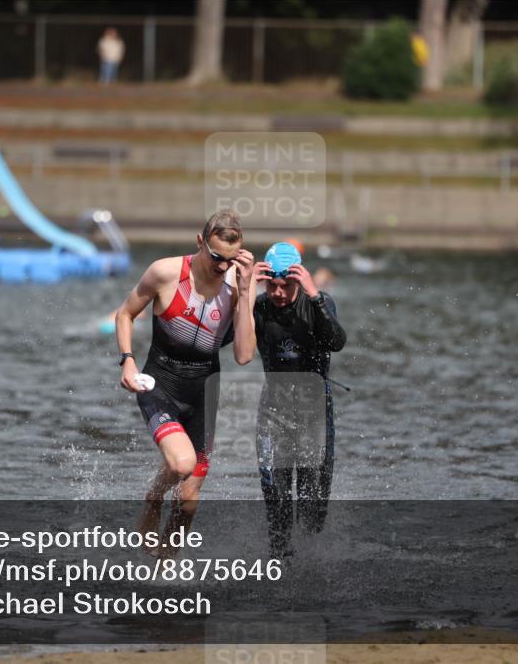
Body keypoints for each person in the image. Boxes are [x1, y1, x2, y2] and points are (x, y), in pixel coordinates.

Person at [115, 211, 256, 556]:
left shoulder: (238, 280)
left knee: (189, 497)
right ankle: (153, 494)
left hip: (204, 390)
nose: (222, 267)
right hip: (160, 383)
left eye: (231, 260)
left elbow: (243, 355)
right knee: (181, 465)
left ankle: (164, 573)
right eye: (217, 257)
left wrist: (245, 290)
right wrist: (128, 360)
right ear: (200, 242)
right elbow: (125, 314)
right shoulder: (165, 272)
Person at [253, 242, 346, 558]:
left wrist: (315, 295)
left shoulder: (316, 302)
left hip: (314, 411)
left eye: (286, 286)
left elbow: (337, 341)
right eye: (272, 285)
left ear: (298, 280)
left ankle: (311, 563)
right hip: (274, 408)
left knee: (311, 504)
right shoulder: (260, 307)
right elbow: (232, 343)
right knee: (276, 496)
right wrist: (242, 290)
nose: (278, 293)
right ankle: (280, 562)